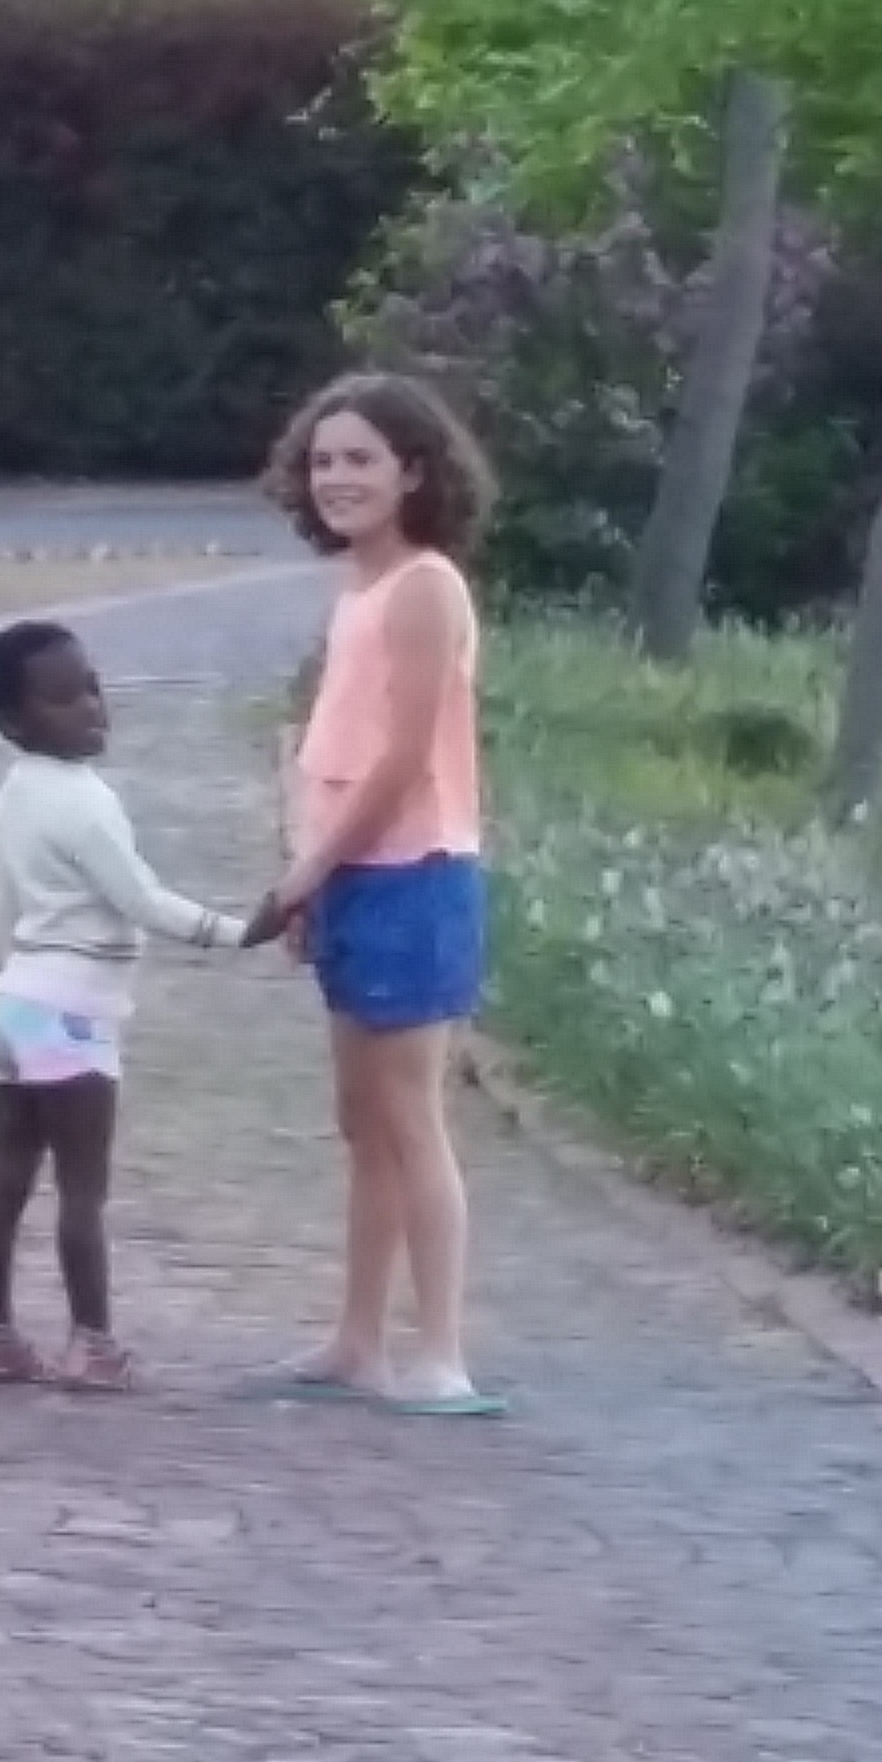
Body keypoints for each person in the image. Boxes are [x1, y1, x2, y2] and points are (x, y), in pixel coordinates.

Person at [256, 372, 505, 1418]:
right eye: (323, 461)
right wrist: (310, 870)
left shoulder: (425, 589)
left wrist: (308, 872)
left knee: (411, 1117)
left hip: (413, 875)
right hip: (352, 877)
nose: (337, 478)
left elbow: (403, 761)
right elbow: (327, 750)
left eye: (360, 459)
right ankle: (356, 1341)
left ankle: (440, 1352)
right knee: (361, 1119)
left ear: (413, 471)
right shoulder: (357, 590)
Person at [0, 616, 275, 1391]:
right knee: (82, 1190)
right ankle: (92, 1344)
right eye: (64, 697)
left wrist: (16, 971)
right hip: (70, 1015)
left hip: (13, 1004)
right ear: (13, 721)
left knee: (7, 1177)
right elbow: (142, 900)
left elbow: (7, 901)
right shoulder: (86, 802)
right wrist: (239, 933)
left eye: (93, 687)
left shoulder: (15, 792)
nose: (92, 707)